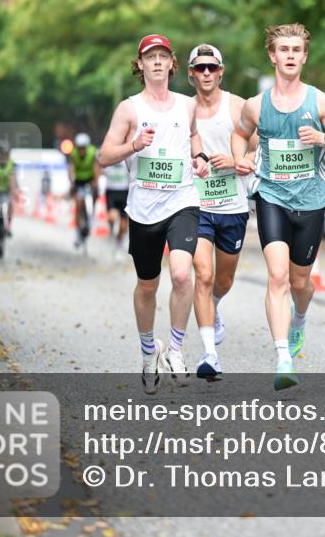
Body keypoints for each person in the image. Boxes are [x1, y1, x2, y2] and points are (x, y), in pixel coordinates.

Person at [232, 24, 325, 390]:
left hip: (311, 200)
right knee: (278, 277)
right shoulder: (256, 105)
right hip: (272, 197)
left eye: (296, 50)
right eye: (283, 49)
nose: (289, 55)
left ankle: (299, 318)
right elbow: (239, 134)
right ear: (272, 55)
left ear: (304, 56)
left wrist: (322, 138)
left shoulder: (321, 102)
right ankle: (283, 357)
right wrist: (240, 159)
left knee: (301, 283)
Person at [98, 33, 210, 394]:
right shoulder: (129, 109)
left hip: (182, 201)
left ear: (172, 64)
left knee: (182, 274)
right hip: (144, 209)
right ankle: (149, 352)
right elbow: (104, 156)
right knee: (148, 285)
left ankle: (175, 350)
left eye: (163, 56)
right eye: (151, 57)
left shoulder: (187, 105)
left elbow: (194, 135)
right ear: (141, 64)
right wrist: (134, 145)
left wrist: (200, 157)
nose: (157, 62)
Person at [188, 43, 255, 382]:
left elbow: (260, 148)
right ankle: (209, 355)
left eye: (211, 67)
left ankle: (214, 305)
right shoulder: (183, 110)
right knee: (202, 274)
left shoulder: (238, 106)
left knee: (222, 281)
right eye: (200, 68)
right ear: (191, 74)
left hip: (233, 206)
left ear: (221, 72)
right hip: (195, 206)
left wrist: (237, 161)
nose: (206, 73)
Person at [67, 132, 99, 248]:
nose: (81, 151)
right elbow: (71, 169)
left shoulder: (92, 152)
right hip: (79, 180)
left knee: (95, 193)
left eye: (83, 148)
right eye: (79, 148)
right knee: (78, 203)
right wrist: (71, 182)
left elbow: (96, 167)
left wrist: (96, 182)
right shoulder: (73, 154)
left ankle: (92, 214)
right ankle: (77, 233)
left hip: (90, 179)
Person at [102, 152, 130, 254]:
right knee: (112, 217)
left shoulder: (127, 161)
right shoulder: (109, 161)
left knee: (123, 226)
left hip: (124, 193)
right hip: (111, 193)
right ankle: (111, 230)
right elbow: (99, 167)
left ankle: (118, 242)